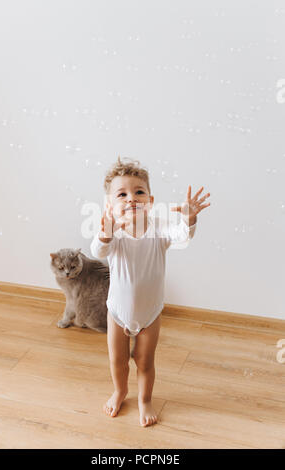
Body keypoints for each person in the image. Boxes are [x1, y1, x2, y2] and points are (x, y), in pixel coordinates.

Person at [90, 156, 211, 426]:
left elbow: (182, 235)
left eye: (139, 192)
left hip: (150, 315)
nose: (132, 198)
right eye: (122, 194)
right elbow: (97, 250)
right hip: (117, 314)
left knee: (144, 362)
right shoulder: (113, 235)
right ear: (110, 206)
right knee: (117, 361)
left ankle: (145, 399)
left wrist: (190, 219)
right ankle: (120, 391)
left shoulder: (159, 231)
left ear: (151, 201)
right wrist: (105, 234)